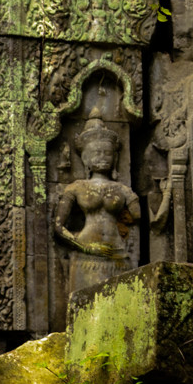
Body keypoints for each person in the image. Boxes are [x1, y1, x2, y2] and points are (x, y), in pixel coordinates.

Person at [53, 109, 141, 293]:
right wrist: (86, 247)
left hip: (117, 251)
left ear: (115, 158)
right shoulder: (76, 187)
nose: (102, 157)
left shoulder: (122, 189)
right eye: (96, 153)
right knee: (84, 305)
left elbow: (138, 216)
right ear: (85, 158)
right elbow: (59, 227)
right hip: (87, 252)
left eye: (107, 153)